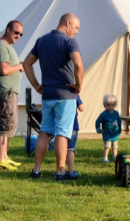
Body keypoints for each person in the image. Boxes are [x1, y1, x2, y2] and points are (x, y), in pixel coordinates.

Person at [23, 13, 84, 180]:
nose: (76, 32)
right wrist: (79, 85)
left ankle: (36, 169)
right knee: (62, 133)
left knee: (44, 131)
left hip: (47, 95)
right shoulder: (69, 42)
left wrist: (36, 85)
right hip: (65, 95)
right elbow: (78, 64)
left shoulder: (41, 41)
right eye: (76, 28)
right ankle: (60, 170)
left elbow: (26, 63)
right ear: (68, 23)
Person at [0, 20, 25, 170]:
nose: (18, 35)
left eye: (20, 34)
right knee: (5, 124)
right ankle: (0, 159)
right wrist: (20, 66)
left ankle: (5, 156)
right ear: (8, 30)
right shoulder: (1, 47)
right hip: (5, 92)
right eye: (16, 32)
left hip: (10, 91)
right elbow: (4, 70)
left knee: (9, 123)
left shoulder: (8, 47)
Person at [95, 94, 122, 163]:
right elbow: (97, 121)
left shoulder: (116, 113)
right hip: (107, 135)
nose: (110, 107)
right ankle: (105, 158)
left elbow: (119, 122)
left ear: (115, 105)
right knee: (107, 147)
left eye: (112, 105)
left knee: (115, 147)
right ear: (104, 105)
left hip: (115, 134)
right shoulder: (103, 114)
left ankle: (115, 157)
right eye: (108, 105)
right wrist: (99, 130)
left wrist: (119, 131)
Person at [66, 94, 84, 179]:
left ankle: (60, 170)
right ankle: (70, 171)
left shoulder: (57, 92)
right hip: (72, 126)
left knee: (61, 148)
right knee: (70, 149)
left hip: (60, 126)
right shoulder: (74, 94)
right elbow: (82, 108)